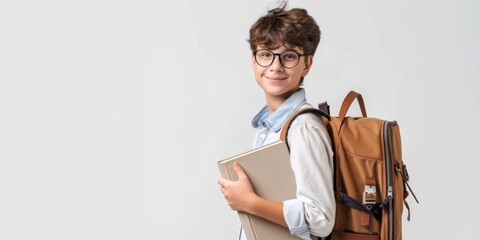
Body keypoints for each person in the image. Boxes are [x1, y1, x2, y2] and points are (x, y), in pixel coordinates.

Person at [217, 3, 335, 240]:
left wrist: (250, 203)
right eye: (266, 55)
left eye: (289, 56)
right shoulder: (272, 125)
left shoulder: (303, 127)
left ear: (307, 64)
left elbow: (321, 219)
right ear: (253, 61)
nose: (275, 66)